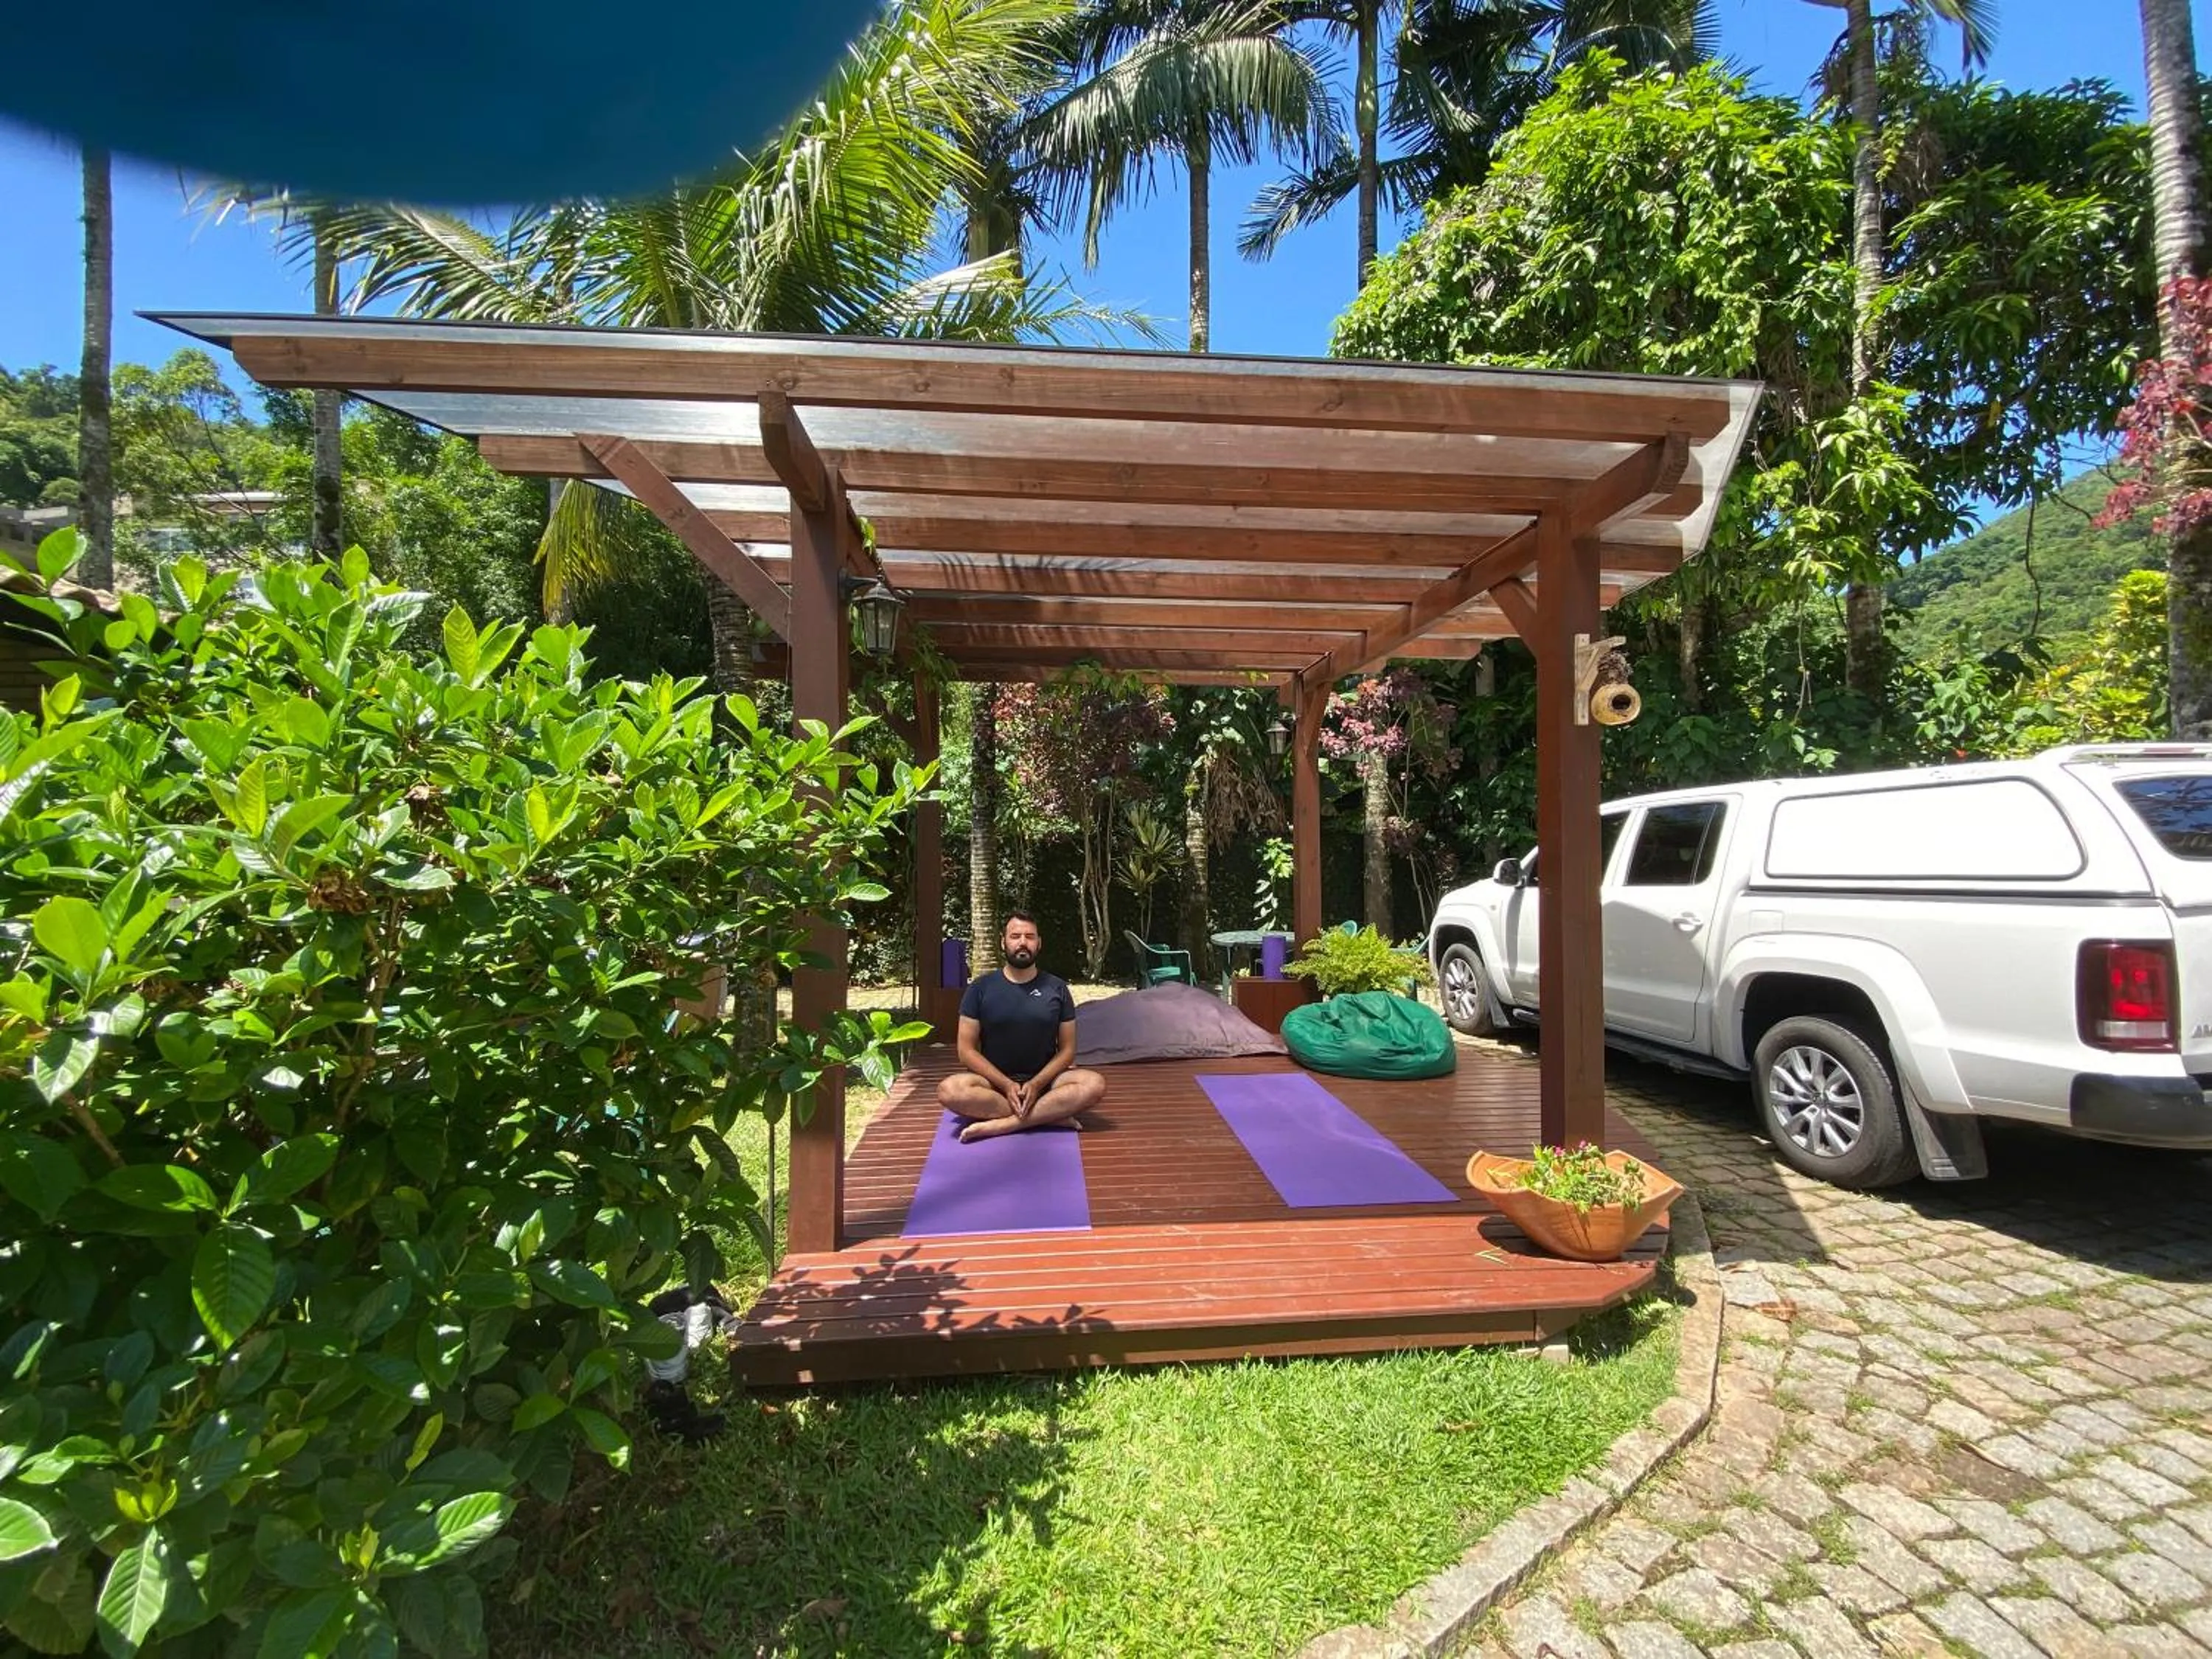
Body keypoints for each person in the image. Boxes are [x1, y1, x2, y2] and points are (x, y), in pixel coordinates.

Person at [939, 911, 1106, 1142]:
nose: (1022, 943)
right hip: (994, 1085)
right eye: (1015, 936)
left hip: (1046, 1083)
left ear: (1039, 943)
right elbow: (965, 1051)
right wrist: (1007, 1085)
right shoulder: (980, 988)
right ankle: (1049, 1116)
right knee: (949, 1090)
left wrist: (1037, 1085)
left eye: (1029, 936)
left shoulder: (1056, 988)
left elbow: (1068, 1051)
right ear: (1003, 941)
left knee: (1094, 1084)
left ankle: (1004, 1124)